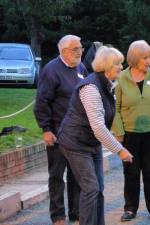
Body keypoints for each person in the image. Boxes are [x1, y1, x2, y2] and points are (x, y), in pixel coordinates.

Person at [57, 46, 133, 225]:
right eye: (118, 64)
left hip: (91, 143)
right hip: (74, 143)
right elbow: (98, 127)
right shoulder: (90, 87)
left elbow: (105, 119)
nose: (121, 67)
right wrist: (120, 150)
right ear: (106, 66)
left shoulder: (108, 84)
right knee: (91, 188)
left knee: (98, 189)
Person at [111, 40, 150, 222]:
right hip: (129, 133)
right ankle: (130, 208)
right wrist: (119, 132)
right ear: (135, 59)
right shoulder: (121, 78)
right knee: (131, 172)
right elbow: (115, 108)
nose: (148, 61)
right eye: (145, 58)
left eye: (149, 57)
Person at [34, 34, 87, 225]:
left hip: (77, 133)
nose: (80, 52)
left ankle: (77, 214)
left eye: (81, 48)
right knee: (57, 176)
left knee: (77, 175)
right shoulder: (51, 70)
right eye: (76, 49)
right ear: (64, 51)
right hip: (57, 132)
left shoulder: (81, 67)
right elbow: (42, 102)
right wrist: (46, 129)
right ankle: (58, 217)